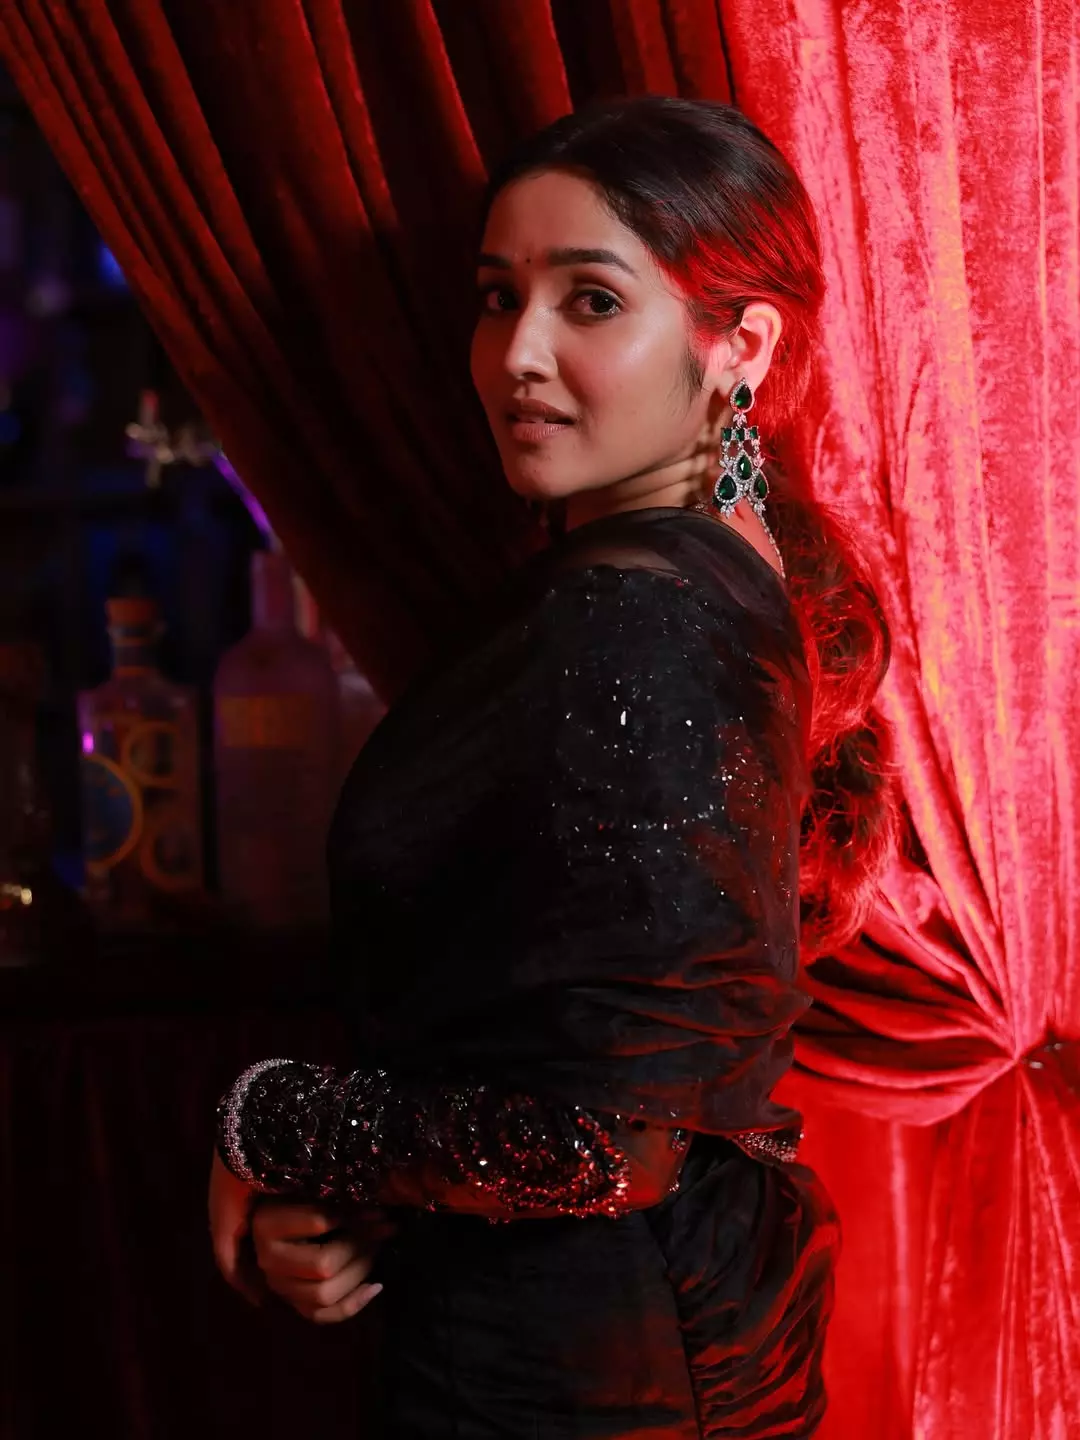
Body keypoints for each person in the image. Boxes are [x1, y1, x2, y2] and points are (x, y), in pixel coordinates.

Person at [209, 96, 900, 1437]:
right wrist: (366, 1193)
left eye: (592, 301)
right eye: (496, 297)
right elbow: (571, 1040)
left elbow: (588, 1143)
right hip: (610, 1335)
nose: (517, 354)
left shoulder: (637, 614)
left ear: (741, 346)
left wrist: (265, 1122)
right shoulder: (697, 578)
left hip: (589, 1376)